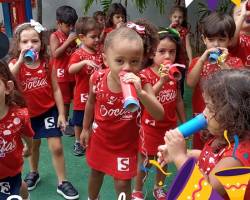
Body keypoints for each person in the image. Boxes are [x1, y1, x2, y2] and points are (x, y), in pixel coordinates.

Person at [80, 27, 164, 200]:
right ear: (105, 60)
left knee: (122, 183)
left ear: (141, 61)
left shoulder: (143, 81)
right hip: (100, 139)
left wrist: (141, 94)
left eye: (134, 61)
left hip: (125, 145)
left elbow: (159, 113)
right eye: (119, 61)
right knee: (96, 173)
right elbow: (90, 103)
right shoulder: (97, 78)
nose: (127, 67)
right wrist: (85, 128)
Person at [8, 21, 79, 199]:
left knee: (56, 147)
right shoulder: (15, 63)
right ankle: (34, 172)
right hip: (26, 114)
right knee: (33, 146)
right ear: (18, 44)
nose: (30, 45)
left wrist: (62, 113)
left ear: (42, 43)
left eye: (34, 41)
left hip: (48, 111)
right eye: (24, 42)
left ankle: (63, 182)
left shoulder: (47, 63)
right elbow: (10, 78)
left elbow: (56, 89)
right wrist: (21, 60)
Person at [158, 69, 250, 199]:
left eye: (210, 108)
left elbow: (204, 193)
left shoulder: (235, 158)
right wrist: (187, 153)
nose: (204, 113)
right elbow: (210, 157)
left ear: (234, 116)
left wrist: (180, 157)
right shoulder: (224, 137)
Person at [132, 29, 186, 200]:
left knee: (164, 160)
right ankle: (138, 189)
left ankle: (159, 187)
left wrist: (184, 124)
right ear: (151, 53)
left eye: (172, 51)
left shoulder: (175, 74)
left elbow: (177, 100)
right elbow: (148, 98)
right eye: (162, 51)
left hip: (169, 127)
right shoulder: (145, 74)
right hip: (149, 127)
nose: (167, 56)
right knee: (146, 162)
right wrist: (162, 80)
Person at [186, 12, 243, 150]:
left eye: (221, 39)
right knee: (200, 150)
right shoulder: (197, 62)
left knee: (222, 150)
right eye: (211, 39)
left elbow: (236, 88)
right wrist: (201, 60)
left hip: (226, 119)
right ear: (204, 39)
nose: (216, 44)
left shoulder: (235, 62)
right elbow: (190, 83)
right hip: (201, 117)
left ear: (229, 40)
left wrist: (223, 63)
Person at [68, 17, 104, 156]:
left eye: (98, 36)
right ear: (82, 37)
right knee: (79, 120)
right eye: (93, 37)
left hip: (97, 94)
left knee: (95, 118)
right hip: (82, 95)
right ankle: (78, 142)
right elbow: (70, 69)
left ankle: (94, 140)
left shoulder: (99, 53)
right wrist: (84, 63)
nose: (97, 40)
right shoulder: (78, 54)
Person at [0, 60, 33, 199]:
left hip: (11, 171)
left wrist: (29, 148)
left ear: (8, 88)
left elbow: (27, 135)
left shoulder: (19, 116)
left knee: (19, 186)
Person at [50, 5, 78, 137]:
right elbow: (55, 54)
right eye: (68, 25)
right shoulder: (55, 36)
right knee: (65, 102)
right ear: (58, 23)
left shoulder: (73, 35)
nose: (71, 28)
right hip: (61, 75)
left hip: (73, 73)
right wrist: (68, 41)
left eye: (73, 25)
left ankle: (73, 121)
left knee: (76, 99)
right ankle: (64, 124)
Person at [169, 5, 193, 97]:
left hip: (181, 60)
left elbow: (188, 46)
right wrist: (170, 29)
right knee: (171, 80)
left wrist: (190, 60)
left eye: (180, 17)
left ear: (183, 19)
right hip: (171, 60)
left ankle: (180, 99)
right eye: (175, 17)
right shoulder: (169, 29)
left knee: (181, 81)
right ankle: (171, 97)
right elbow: (164, 41)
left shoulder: (185, 31)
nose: (177, 19)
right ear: (170, 17)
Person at [230, 0, 250, 68]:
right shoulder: (236, 38)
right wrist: (243, 15)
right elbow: (231, 39)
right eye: (240, 13)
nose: (247, 13)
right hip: (239, 77)